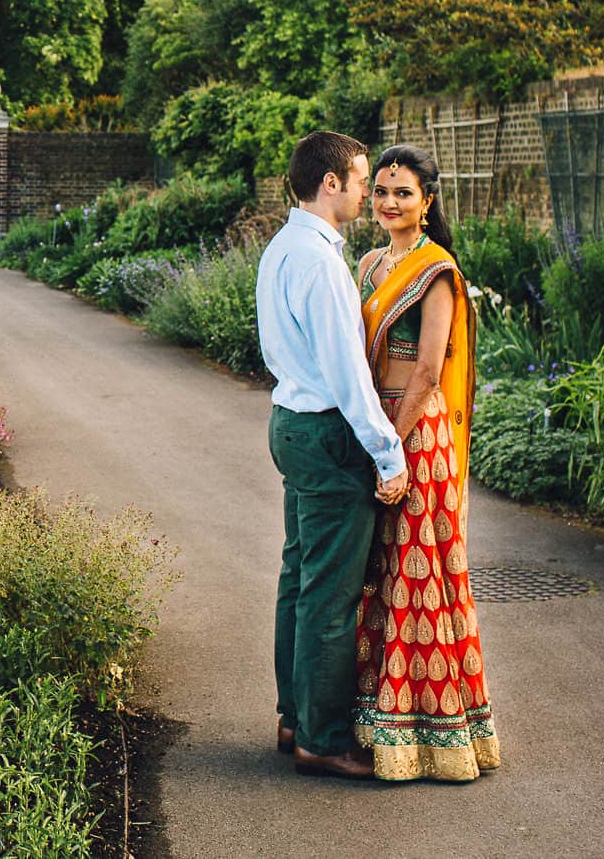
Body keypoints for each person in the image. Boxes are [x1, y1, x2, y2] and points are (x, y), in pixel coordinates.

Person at [258, 131, 407, 781]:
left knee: (300, 576)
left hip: (290, 420)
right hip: (323, 430)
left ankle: (295, 715)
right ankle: (321, 736)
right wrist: (388, 451)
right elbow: (347, 373)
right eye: (361, 179)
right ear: (330, 183)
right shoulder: (319, 261)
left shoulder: (282, 246)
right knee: (330, 592)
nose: (367, 191)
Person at [350, 143, 501, 782]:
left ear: (427, 202)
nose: (388, 202)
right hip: (373, 425)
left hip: (416, 432)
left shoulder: (438, 271)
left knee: (420, 577)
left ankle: (433, 739)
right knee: (379, 571)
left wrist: (391, 445)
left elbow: (429, 370)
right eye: (382, 191)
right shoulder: (367, 264)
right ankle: (376, 720)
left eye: (403, 193)